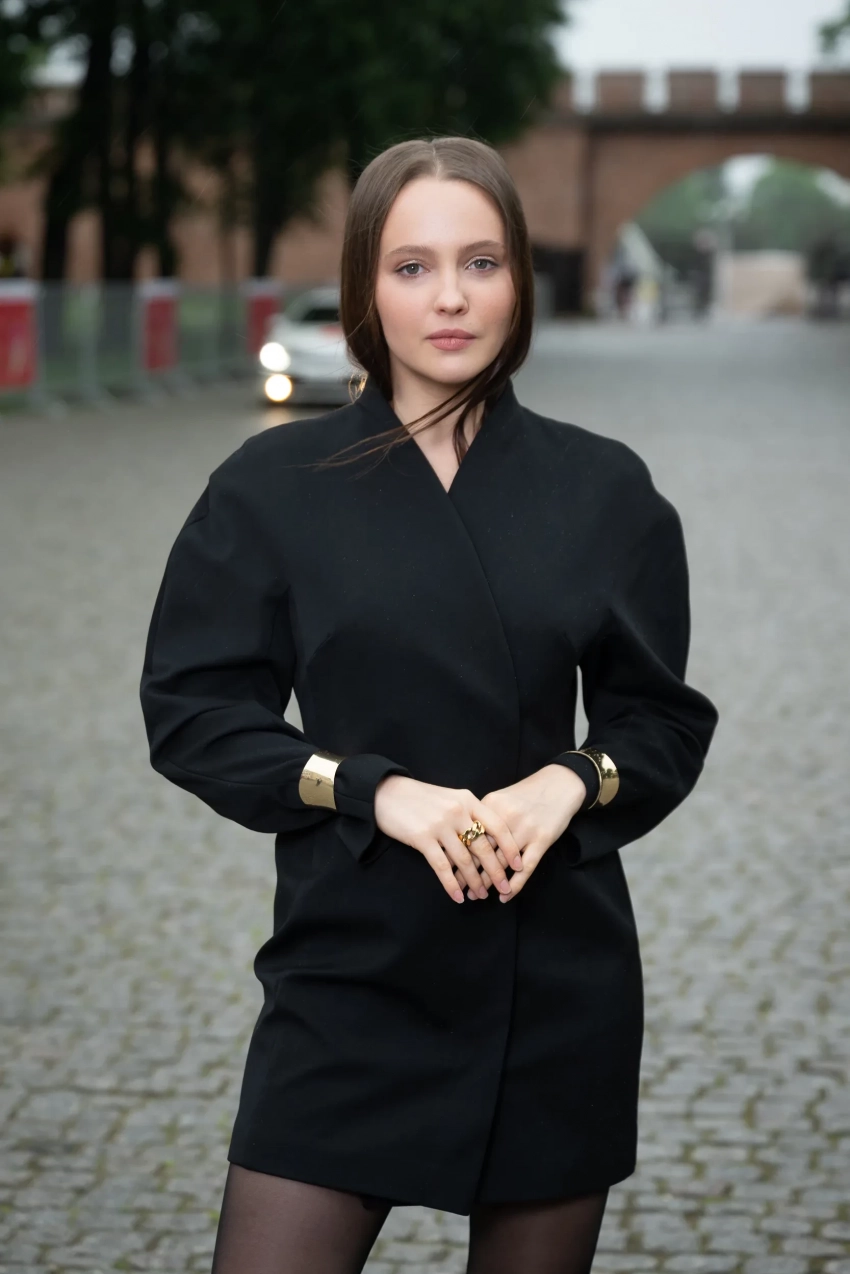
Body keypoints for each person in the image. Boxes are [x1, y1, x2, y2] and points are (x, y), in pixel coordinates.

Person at [139, 137, 718, 1274]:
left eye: (480, 262)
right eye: (412, 267)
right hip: (348, 966)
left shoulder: (605, 488)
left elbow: (661, 720)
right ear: (366, 286)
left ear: (520, 281)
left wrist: (571, 781)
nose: (450, 297)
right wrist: (372, 789)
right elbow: (194, 711)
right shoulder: (269, 486)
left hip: (554, 979)